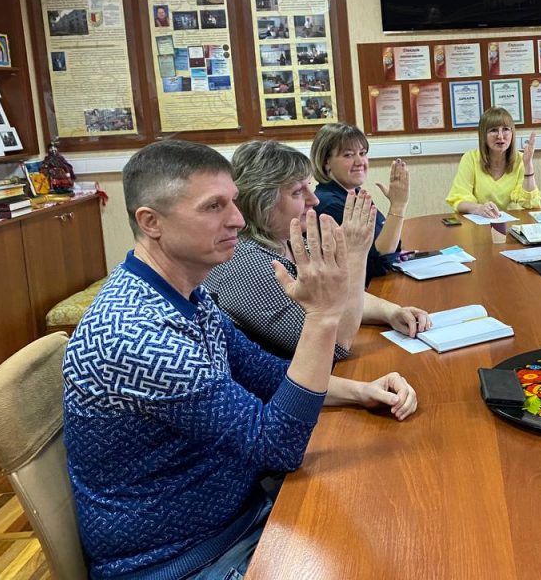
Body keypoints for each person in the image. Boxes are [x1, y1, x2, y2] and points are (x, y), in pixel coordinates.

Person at [62, 140, 417, 579]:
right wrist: (323, 316)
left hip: (240, 516)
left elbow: (265, 373)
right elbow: (277, 447)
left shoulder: (184, 294)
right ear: (151, 222)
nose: (237, 219)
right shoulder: (138, 336)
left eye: (232, 201)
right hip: (184, 560)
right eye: (214, 206)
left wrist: (361, 391)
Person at [205, 140, 430, 360]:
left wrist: (390, 312)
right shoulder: (247, 265)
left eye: (309, 187)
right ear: (261, 202)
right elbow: (336, 346)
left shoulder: (289, 241)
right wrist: (356, 254)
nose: (313, 200)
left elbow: (338, 297)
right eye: (297, 192)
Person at [312, 123, 408, 286]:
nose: (359, 162)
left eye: (362, 153)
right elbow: (378, 262)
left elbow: (389, 244)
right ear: (326, 162)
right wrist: (398, 206)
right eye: (348, 155)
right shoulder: (329, 205)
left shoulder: (354, 193)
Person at [446, 106, 540, 218]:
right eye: (493, 130)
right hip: (480, 223)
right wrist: (478, 208)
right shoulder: (470, 158)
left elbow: (530, 205)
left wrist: (528, 165)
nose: (500, 136)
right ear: (483, 135)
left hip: (513, 224)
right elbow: (459, 200)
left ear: (512, 133)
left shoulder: (521, 159)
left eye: (505, 129)